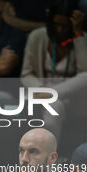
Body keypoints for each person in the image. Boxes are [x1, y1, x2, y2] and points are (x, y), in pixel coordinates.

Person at [21, 0, 87, 143]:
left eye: (65, 26)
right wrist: (40, 90)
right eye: (56, 24)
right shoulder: (37, 36)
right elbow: (26, 74)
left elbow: (84, 73)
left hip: (73, 97)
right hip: (41, 94)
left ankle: (50, 94)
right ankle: (47, 159)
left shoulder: (82, 40)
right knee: (54, 105)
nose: (59, 30)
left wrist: (78, 35)